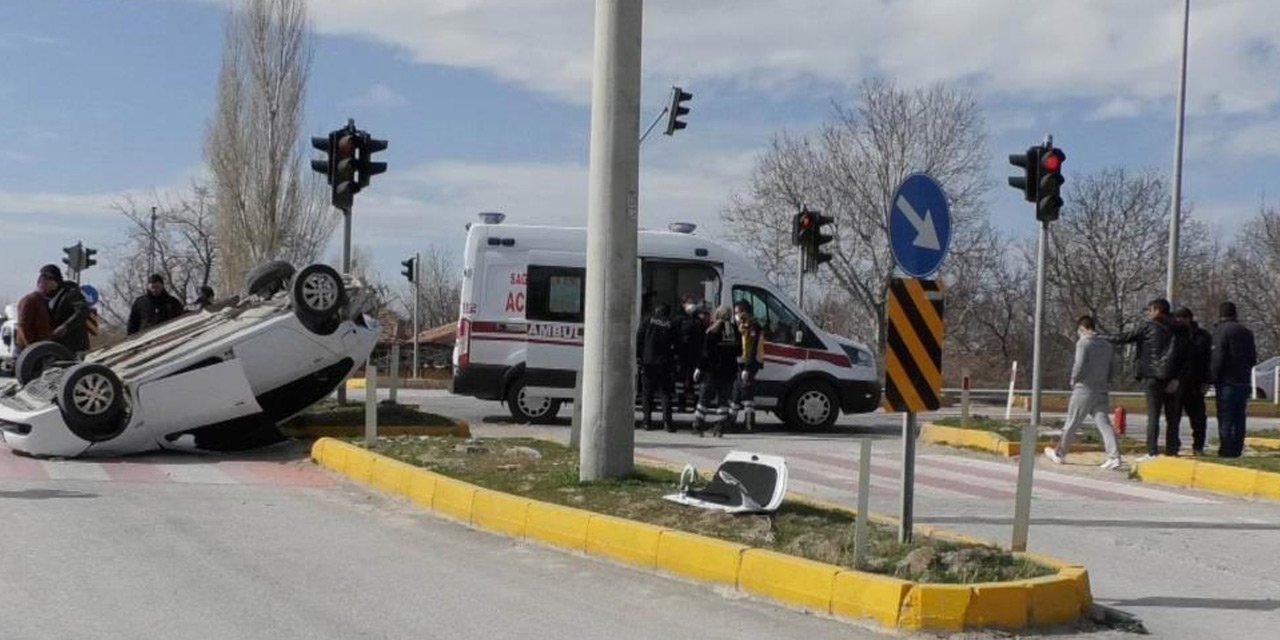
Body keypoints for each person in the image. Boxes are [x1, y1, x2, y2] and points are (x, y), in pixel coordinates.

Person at [1104, 298, 1187, 461]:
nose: (1149, 313)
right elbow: (1185, 356)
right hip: (1172, 379)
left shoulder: (1148, 327)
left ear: (1157, 310)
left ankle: (1152, 451)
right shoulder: (1180, 330)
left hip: (1152, 377)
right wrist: (1177, 378)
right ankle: (1172, 450)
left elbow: (1123, 337)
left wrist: (1099, 336)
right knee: (1172, 417)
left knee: (1153, 416)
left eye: (1151, 310)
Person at [1044, 316, 1122, 470]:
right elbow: (1113, 367)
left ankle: (1060, 453)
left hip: (1083, 389)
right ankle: (1114, 456)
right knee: (1104, 424)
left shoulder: (1083, 343)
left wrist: (1073, 380)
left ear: (1082, 328)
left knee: (1072, 422)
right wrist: (1108, 382)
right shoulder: (1107, 345)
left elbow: (1078, 364)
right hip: (1101, 389)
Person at [1210, 301, 1257, 458]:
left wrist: (1212, 377)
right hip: (1243, 380)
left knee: (1226, 416)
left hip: (1226, 381)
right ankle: (1237, 448)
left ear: (1220, 314)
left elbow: (1218, 357)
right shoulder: (1246, 332)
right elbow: (1252, 358)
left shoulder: (1220, 331)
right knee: (1239, 417)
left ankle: (1226, 449)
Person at [692, 305, 739, 437]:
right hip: (729, 372)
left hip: (712, 371)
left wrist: (699, 368)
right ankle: (719, 428)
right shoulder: (734, 330)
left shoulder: (712, 330)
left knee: (704, 399)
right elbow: (739, 351)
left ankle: (698, 425)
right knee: (723, 401)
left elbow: (706, 353)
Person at [1173, 307, 1213, 456]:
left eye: (1182, 318)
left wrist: (1207, 381)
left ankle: (1198, 446)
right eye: (1177, 319)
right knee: (1173, 416)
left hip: (1195, 382)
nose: (1179, 322)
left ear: (1189, 319)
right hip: (1177, 382)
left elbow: (1209, 360)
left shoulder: (1202, 336)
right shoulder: (1173, 334)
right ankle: (1173, 445)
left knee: (1198, 418)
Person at [635, 302, 677, 432]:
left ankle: (647, 422)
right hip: (664, 363)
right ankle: (667, 423)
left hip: (648, 362)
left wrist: (639, 356)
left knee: (647, 393)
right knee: (665, 394)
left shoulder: (648, 319)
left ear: (657, 310)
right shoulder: (671, 323)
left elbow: (639, 338)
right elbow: (675, 343)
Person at [728, 299, 765, 433]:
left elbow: (752, 348)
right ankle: (732, 421)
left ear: (744, 311)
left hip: (750, 363)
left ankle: (749, 423)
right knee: (737, 390)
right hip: (742, 363)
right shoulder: (743, 324)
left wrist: (747, 369)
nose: (736, 314)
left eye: (737, 312)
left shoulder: (753, 326)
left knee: (746, 391)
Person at [14, 265, 59, 358]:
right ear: (43, 282)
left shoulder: (43, 302)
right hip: (28, 351)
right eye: (53, 284)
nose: (54, 288)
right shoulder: (30, 300)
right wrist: (31, 350)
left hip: (39, 350)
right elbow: (23, 326)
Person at [672, 295, 706, 412]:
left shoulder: (698, 320)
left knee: (694, 379)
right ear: (683, 304)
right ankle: (683, 403)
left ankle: (693, 403)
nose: (691, 305)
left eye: (692, 302)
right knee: (681, 380)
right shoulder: (679, 319)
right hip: (682, 355)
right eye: (689, 302)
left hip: (693, 355)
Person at [47, 266, 90, 355]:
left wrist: (65, 326)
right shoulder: (49, 297)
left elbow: (82, 311)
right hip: (58, 345)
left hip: (75, 345)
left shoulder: (71, 293)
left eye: (46, 280)